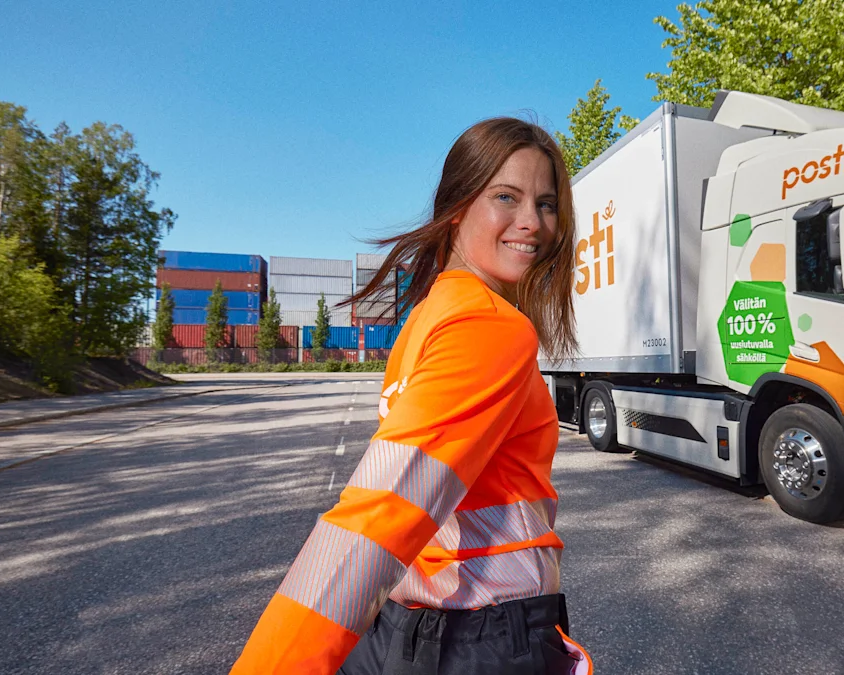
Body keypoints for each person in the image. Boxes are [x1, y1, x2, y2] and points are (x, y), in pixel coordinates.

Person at [229, 117, 592, 675]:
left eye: (546, 204)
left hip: (410, 625)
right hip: (481, 639)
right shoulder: (490, 324)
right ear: (457, 206)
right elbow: (384, 510)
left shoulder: (425, 318)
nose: (532, 222)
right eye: (506, 196)